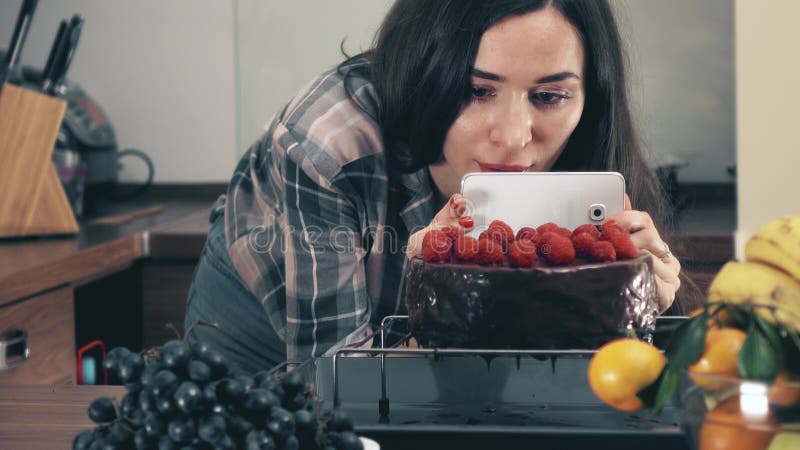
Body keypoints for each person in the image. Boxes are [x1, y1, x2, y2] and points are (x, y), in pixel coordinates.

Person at [185, 0, 690, 373]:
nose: (513, 136)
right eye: (477, 90)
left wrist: (640, 310)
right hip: (265, 334)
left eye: (550, 95)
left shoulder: (591, 162)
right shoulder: (323, 143)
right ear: (425, 71)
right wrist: (441, 297)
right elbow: (331, 385)